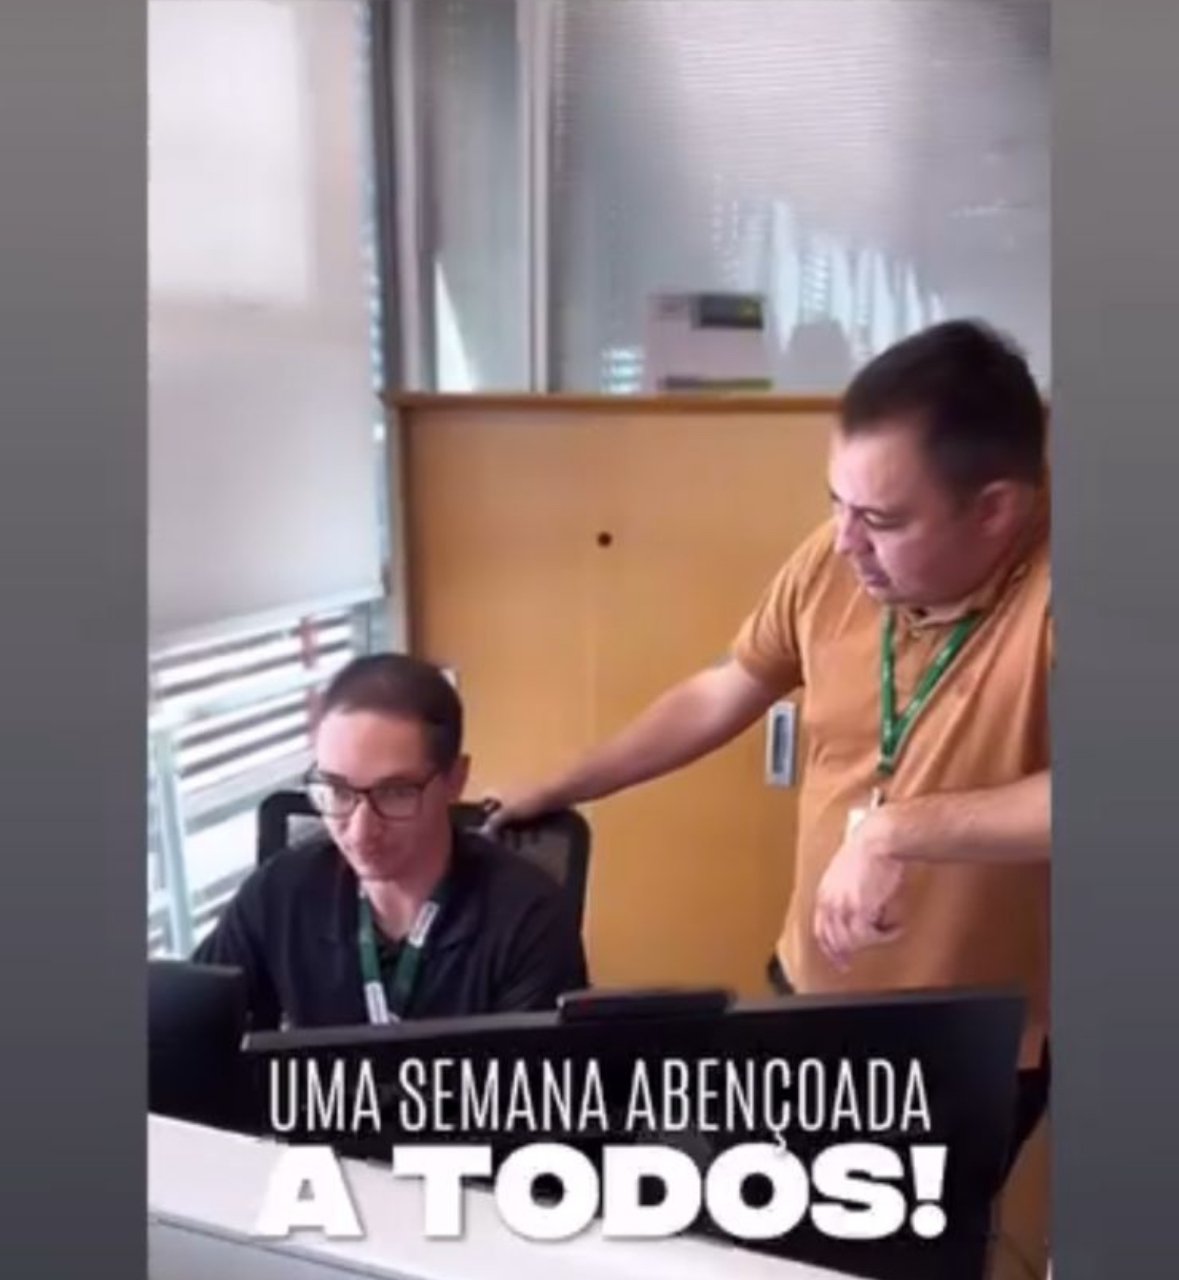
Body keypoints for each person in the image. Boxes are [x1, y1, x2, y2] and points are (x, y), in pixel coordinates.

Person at [488, 320, 1052, 1172]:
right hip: (810, 988)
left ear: (994, 510)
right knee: (770, 1220)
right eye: (836, 503)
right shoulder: (835, 559)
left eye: (880, 519)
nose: (846, 541)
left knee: (903, 1249)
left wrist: (895, 829)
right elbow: (723, 689)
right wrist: (564, 784)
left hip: (966, 1041)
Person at [195, 653, 589, 1029]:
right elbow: (189, 1025)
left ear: (455, 780)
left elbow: (533, 1076)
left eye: (395, 792)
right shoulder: (280, 893)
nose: (359, 830)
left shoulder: (529, 919)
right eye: (337, 790)